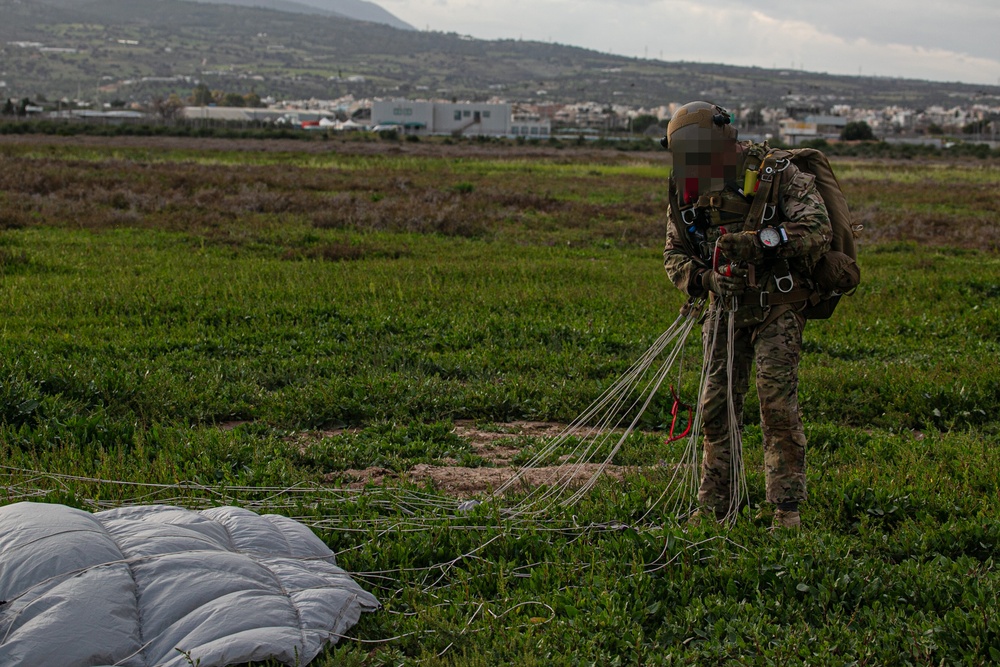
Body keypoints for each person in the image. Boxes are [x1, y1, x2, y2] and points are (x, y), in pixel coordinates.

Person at [661, 101, 833, 530]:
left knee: (776, 407)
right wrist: (706, 281)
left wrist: (761, 243)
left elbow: (817, 229)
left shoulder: (776, 174)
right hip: (723, 308)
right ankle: (715, 506)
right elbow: (673, 255)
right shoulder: (684, 187)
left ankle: (786, 510)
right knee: (716, 407)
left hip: (777, 304)